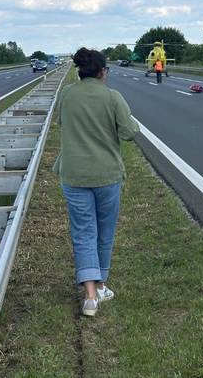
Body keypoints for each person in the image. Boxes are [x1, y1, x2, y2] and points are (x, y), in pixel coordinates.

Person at [53, 48, 139, 316]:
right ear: (103, 72)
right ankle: (101, 284)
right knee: (105, 231)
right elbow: (129, 132)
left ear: (80, 71)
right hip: (106, 174)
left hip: (74, 174)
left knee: (83, 232)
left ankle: (90, 295)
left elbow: (61, 123)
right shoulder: (113, 97)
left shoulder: (67, 94)